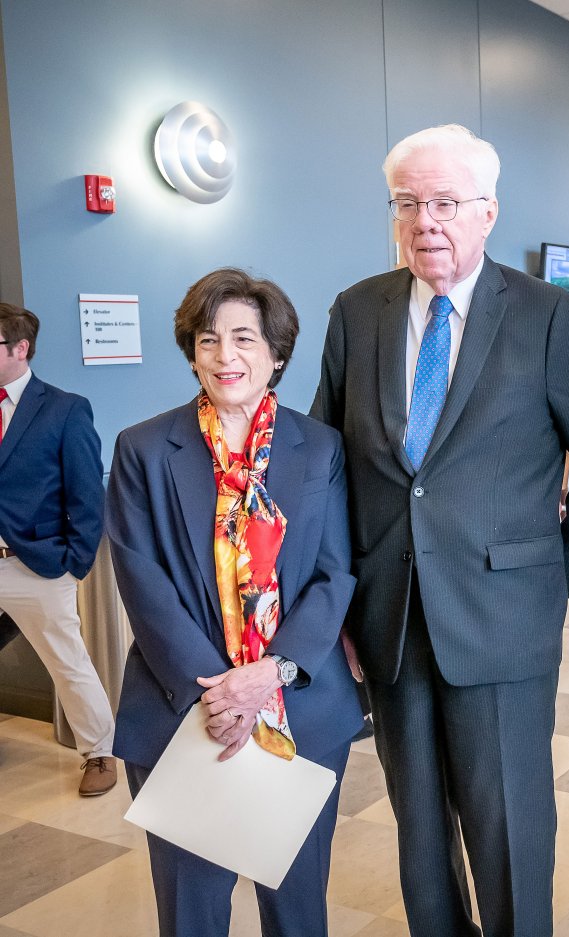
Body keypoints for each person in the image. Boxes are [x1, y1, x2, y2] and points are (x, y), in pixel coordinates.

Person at [310, 124, 569, 937]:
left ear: (487, 211)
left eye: (445, 202)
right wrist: (339, 602)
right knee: (420, 835)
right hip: (390, 621)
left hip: (504, 620)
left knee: (509, 826)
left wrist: (555, 578)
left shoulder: (546, 314)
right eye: (408, 203)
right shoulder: (357, 312)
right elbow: (327, 471)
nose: (426, 221)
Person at [107, 269, 360, 937]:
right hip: (184, 712)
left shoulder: (322, 448)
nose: (226, 356)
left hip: (300, 710)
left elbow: (334, 574)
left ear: (276, 353)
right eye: (208, 339)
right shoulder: (143, 448)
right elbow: (141, 577)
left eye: (244, 337)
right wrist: (219, 694)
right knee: (192, 912)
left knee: (298, 908)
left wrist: (267, 674)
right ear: (191, 351)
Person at [0, 302, 116, 796]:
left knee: (66, 661)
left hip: (36, 565)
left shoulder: (64, 408)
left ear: (19, 349)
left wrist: (74, 565)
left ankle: (100, 754)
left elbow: (88, 494)